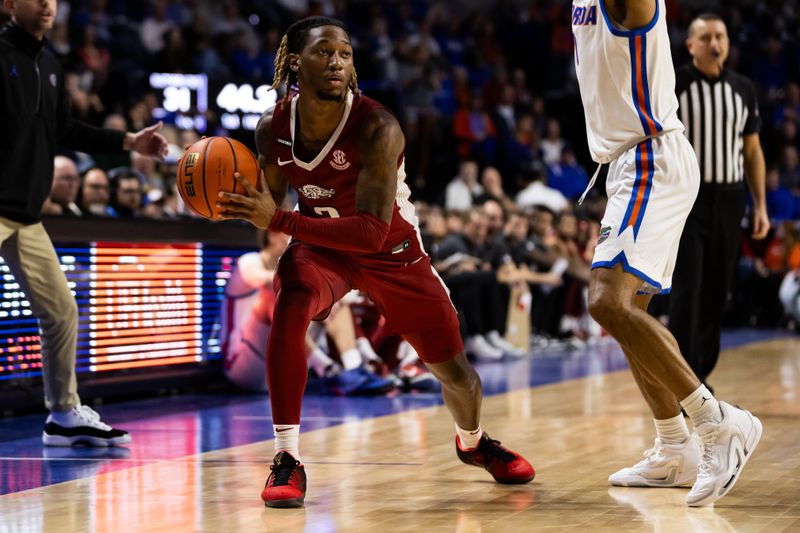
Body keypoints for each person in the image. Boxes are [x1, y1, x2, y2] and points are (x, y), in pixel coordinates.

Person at [216, 16, 534, 508]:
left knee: (456, 374)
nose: (338, 61)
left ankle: (474, 442)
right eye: (325, 52)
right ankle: (286, 458)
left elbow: (368, 231)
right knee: (292, 299)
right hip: (323, 248)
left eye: (345, 53)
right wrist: (231, 198)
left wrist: (279, 218)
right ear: (296, 62)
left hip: (392, 252)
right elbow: (270, 202)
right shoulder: (272, 127)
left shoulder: (377, 126)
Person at [572, 0, 762, 506]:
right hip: (626, 162)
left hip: (651, 155)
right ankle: (674, 447)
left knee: (604, 301)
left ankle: (717, 423)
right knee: (627, 313)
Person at [0, 0, 168, 446]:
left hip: (25, 216)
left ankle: (62, 415)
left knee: (61, 311)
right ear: (8, 5)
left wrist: (131, 140)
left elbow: (66, 130)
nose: (47, 4)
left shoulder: (52, 64)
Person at [667, 13, 770, 390]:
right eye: (706, 37)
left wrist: (760, 205)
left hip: (729, 198)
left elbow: (753, 151)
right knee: (687, 288)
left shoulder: (743, 88)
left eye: (721, 36)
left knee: (716, 291)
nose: (715, 43)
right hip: (687, 198)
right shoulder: (674, 84)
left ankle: (701, 376)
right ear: (690, 44)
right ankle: (680, 378)